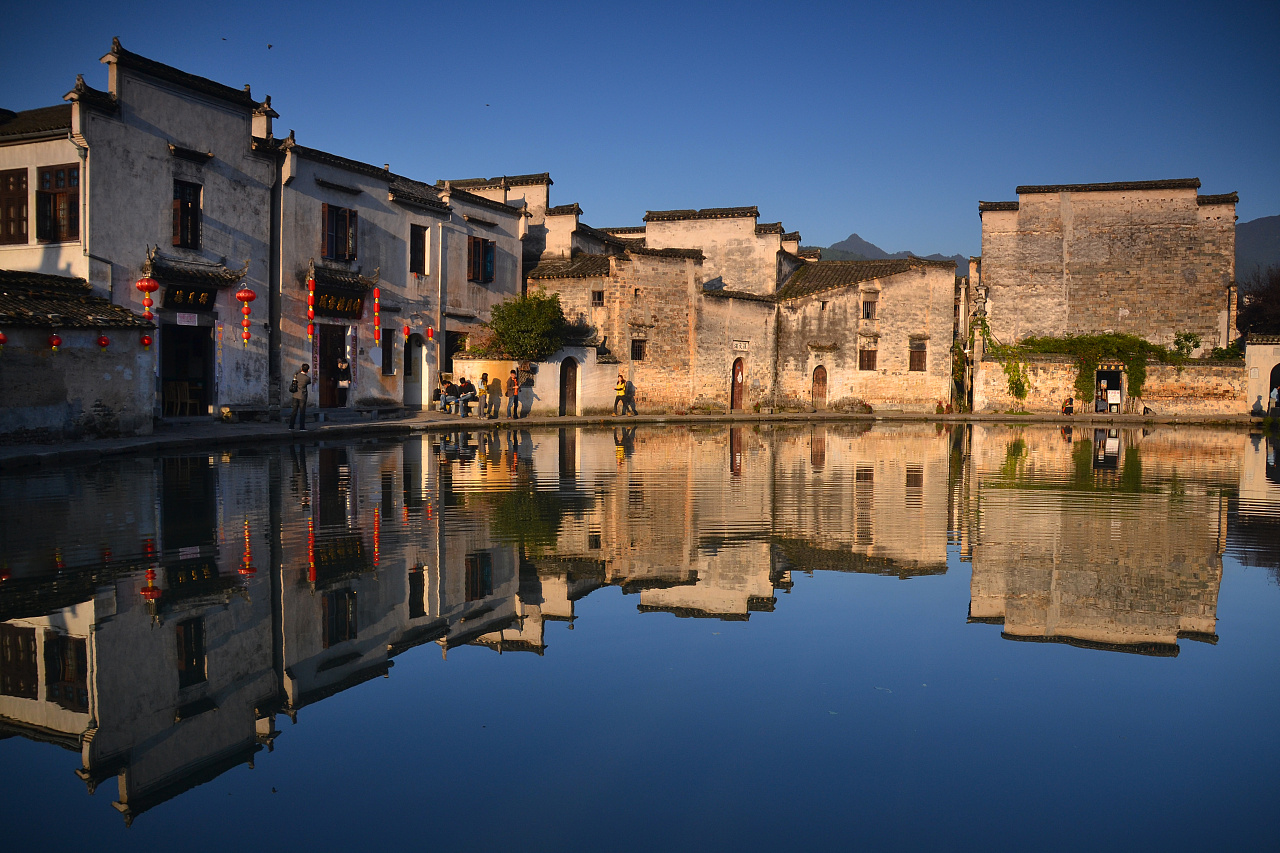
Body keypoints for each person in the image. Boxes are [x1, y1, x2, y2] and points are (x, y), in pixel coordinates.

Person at [288, 363, 311, 430]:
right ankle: (302, 427)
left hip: (295, 395)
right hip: (302, 396)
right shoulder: (307, 378)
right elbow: (309, 382)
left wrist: (300, 370)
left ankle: (291, 426)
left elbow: (296, 373)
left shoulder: (297, 375)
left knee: (294, 411)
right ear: (308, 370)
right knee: (302, 412)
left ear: (301, 368)